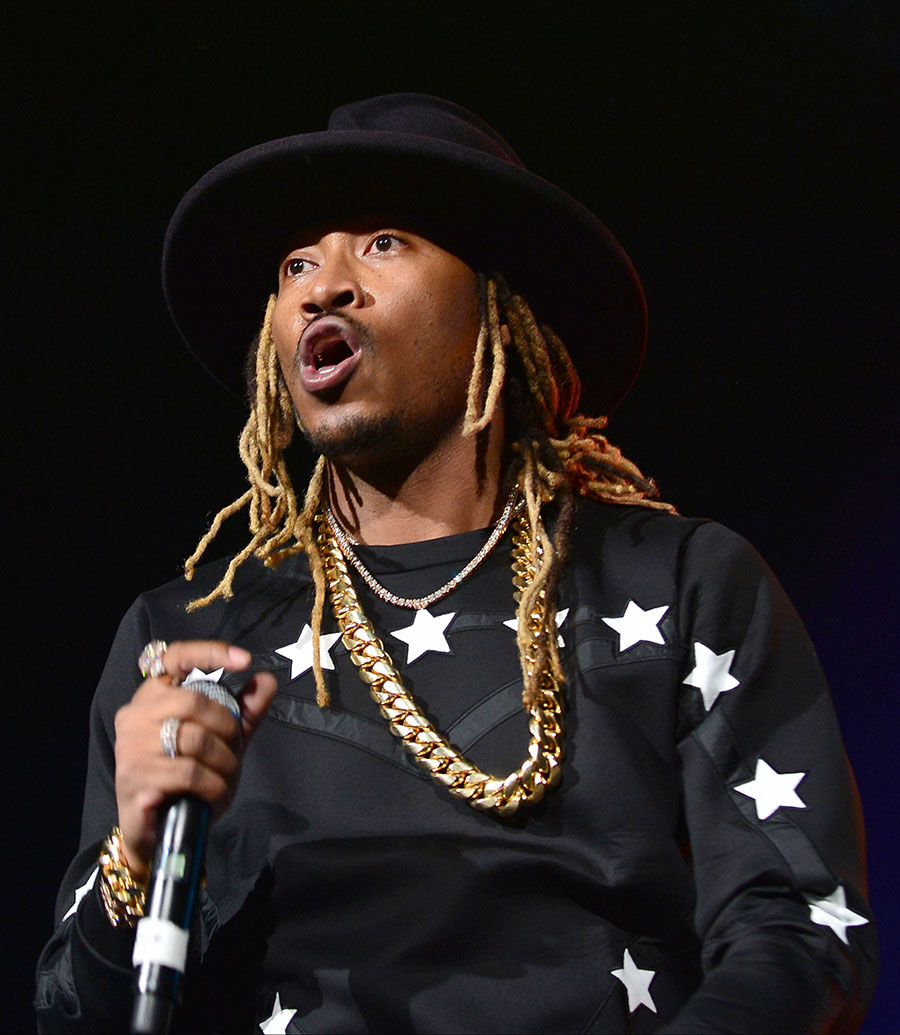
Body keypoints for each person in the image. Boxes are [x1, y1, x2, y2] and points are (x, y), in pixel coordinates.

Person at [35, 94, 877, 1033]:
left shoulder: (679, 584)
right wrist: (135, 860)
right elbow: (72, 1009)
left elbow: (800, 929)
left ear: (497, 310)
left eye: (383, 243)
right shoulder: (190, 640)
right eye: (295, 265)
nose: (323, 287)